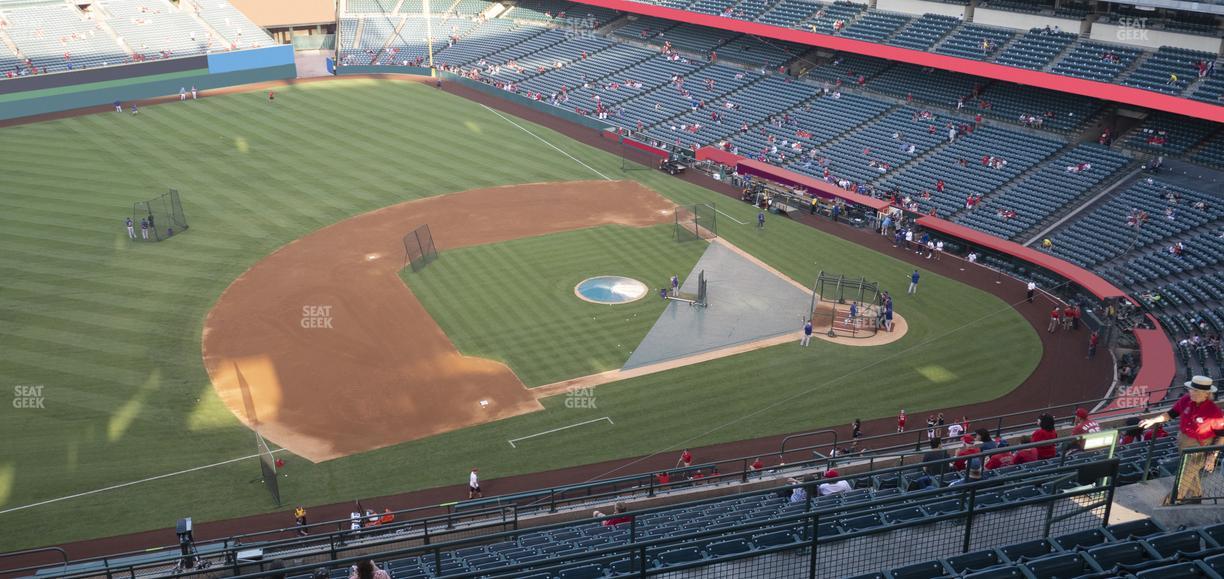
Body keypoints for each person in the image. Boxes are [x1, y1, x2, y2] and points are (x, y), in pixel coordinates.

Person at [1139, 376, 1224, 503]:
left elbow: (1222, 436)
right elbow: (1170, 414)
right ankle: (1196, 496)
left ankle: (1169, 503)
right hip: (1183, 443)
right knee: (1190, 473)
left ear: (1206, 394)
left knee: (1182, 477)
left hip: (1199, 448)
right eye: (1191, 389)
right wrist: (1153, 420)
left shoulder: (1214, 413)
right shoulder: (1185, 400)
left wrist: (1212, 457)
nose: (1191, 392)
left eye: (1195, 391)